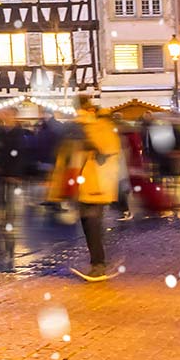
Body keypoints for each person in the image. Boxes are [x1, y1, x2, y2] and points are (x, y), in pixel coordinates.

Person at [49, 96, 122, 281]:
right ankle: (98, 263)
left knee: (93, 223)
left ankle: (99, 265)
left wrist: (86, 132)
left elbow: (106, 149)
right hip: (82, 184)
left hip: (98, 183)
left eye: (83, 110)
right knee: (89, 224)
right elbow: (65, 153)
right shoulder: (79, 128)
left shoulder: (102, 127)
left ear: (91, 111)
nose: (80, 113)